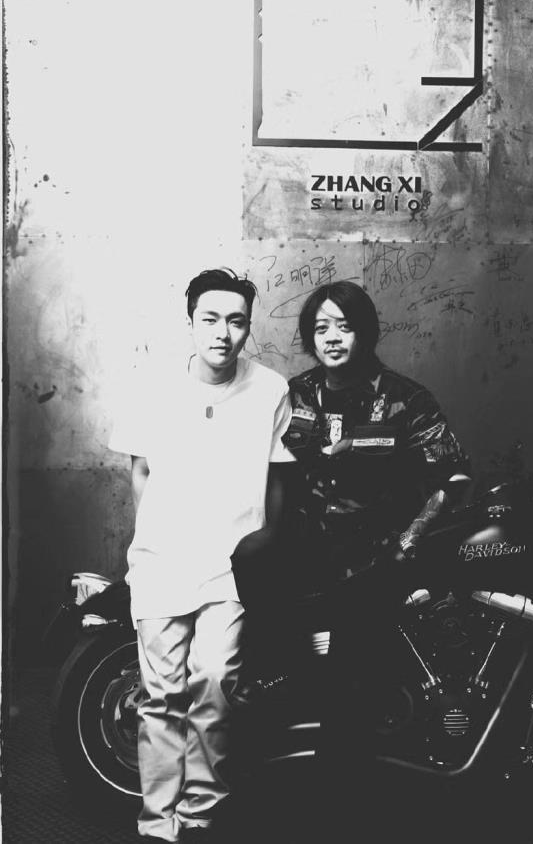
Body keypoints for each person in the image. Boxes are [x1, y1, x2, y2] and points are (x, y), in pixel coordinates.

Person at [108, 268, 294, 844]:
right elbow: (140, 470)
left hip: (232, 567)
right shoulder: (152, 386)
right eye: (210, 319)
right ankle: (157, 822)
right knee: (162, 695)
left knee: (214, 681)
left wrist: (265, 539)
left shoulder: (270, 388)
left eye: (236, 321)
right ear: (190, 322)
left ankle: (199, 812)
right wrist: (157, 539)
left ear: (248, 328)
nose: (223, 332)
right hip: (162, 562)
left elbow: (278, 474)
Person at [281, 280, 469, 833]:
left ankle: (339, 802)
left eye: (344, 326)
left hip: (377, 558)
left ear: (365, 332)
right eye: (321, 328)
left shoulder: (406, 398)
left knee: (352, 675)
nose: (332, 338)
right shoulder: (294, 394)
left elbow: (454, 478)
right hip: (306, 553)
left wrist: (409, 541)